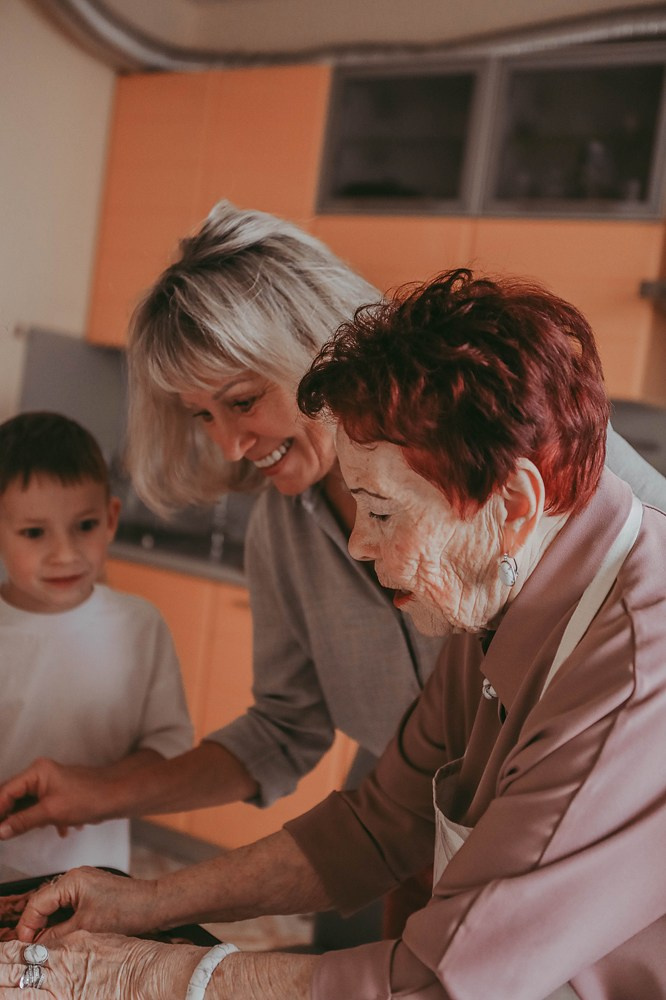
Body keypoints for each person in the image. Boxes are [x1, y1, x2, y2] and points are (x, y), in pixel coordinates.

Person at [0, 205, 663, 936]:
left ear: (313, 348)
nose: (229, 446)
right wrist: (100, 797)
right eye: (201, 416)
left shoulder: (539, 454)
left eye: (243, 402)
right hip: (402, 798)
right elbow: (296, 740)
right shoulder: (282, 533)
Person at [0, 411, 193, 876]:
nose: (65, 554)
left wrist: (100, 786)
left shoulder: (140, 626)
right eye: (34, 533)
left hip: (96, 874)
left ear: (110, 519)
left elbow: (170, 747)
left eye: (84, 526)